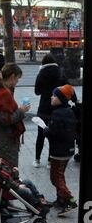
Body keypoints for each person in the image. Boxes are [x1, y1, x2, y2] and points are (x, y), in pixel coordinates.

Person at [0, 63, 30, 214]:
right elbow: (6, 119)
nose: (17, 82)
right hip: (3, 140)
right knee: (3, 174)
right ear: (11, 77)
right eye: (17, 79)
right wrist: (21, 111)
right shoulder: (4, 93)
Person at [0, 147, 51, 216]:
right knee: (26, 191)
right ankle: (34, 207)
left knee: (28, 182)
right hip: (8, 190)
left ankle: (39, 199)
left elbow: (11, 176)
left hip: (12, 185)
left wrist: (14, 172)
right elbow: (6, 181)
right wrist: (18, 186)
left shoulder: (2, 165)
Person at [44, 85, 78, 216]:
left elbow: (53, 133)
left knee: (55, 178)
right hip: (67, 150)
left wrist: (46, 129)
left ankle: (70, 200)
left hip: (58, 152)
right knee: (60, 175)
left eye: (55, 95)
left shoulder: (57, 113)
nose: (51, 97)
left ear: (62, 99)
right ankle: (60, 200)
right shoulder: (69, 111)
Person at [33, 53, 66, 168]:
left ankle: (37, 160)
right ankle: (50, 161)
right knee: (54, 135)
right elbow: (66, 89)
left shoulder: (41, 73)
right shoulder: (60, 72)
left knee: (40, 135)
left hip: (43, 108)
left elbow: (36, 92)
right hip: (57, 109)